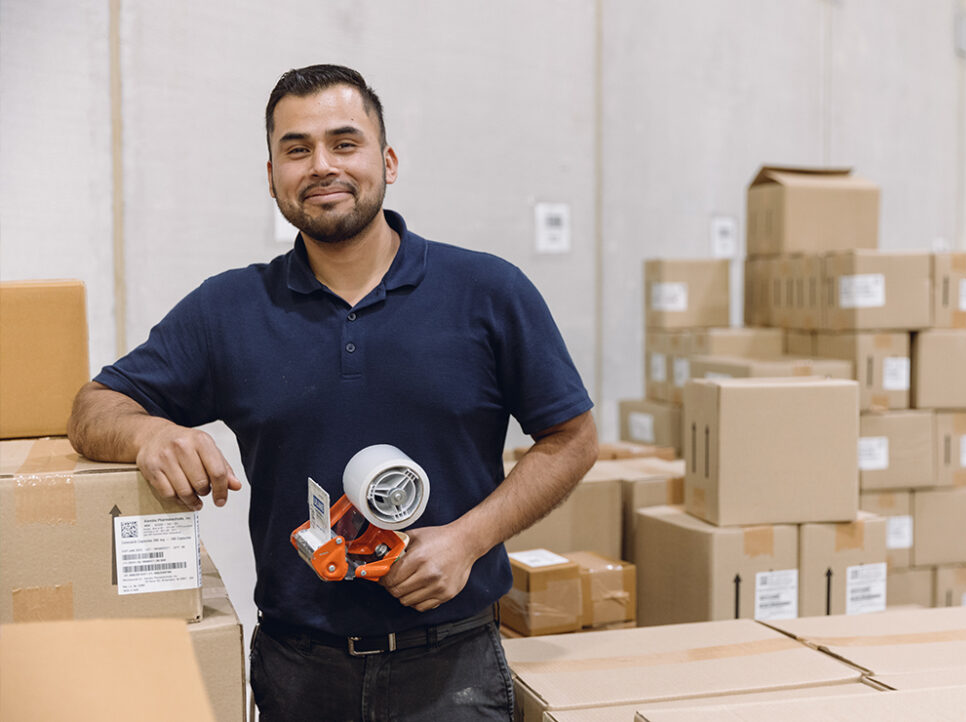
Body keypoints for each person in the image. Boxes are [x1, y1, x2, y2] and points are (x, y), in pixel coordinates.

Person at [67, 64, 598, 721]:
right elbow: (92, 408)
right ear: (271, 176)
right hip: (298, 674)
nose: (322, 165)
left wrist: (467, 539)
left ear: (388, 160)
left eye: (345, 143)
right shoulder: (229, 309)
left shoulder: (489, 292)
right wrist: (151, 433)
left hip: (451, 669)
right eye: (297, 149)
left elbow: (572, 438)